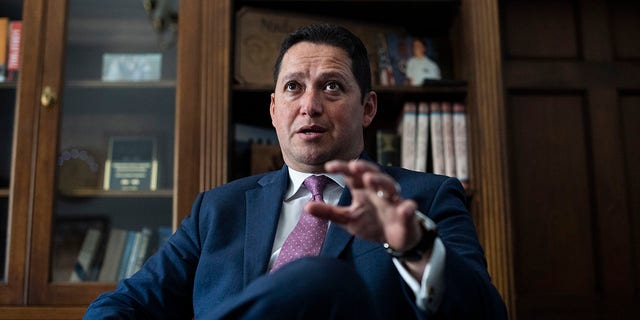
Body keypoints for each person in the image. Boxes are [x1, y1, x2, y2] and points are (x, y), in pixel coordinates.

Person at [84, 23, 507, 319]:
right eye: (293, 87)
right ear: (274, 110)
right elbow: (126, 305)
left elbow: (485, 314)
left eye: (332, 86)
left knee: (321, 280)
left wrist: (416, 247)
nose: (310, 105)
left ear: (368, 109)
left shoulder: (425, 199)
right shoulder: (217, 209)